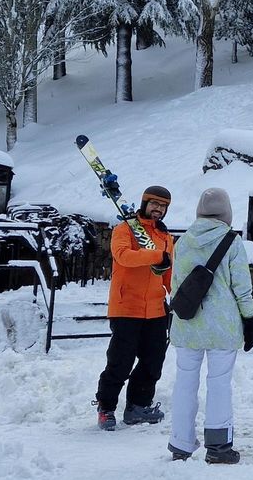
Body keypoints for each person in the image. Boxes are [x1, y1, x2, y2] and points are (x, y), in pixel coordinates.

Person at [168, 188, 253, 464]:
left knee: (184, 383)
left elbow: (175, 285)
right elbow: (242, 288)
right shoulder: (232, 242)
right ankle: (218, 448)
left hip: (187, 325)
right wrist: (250, 320)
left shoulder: (182, 242)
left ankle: (180, 443)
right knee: (219, 385)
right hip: (222, 328)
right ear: (226, 212)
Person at [96, 185, 175, 431]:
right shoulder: (124, 230)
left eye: (163, 207)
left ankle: (137, 406)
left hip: (155, 308)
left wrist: (175, 296)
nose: (158, 210)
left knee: (153, 361)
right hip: (126, 307)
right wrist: (155, 256)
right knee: (120, 360)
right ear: (144, 203)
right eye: (154, 204)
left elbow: (167, 273)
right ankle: (106, 408)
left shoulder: (166, 237)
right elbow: (124, 256)